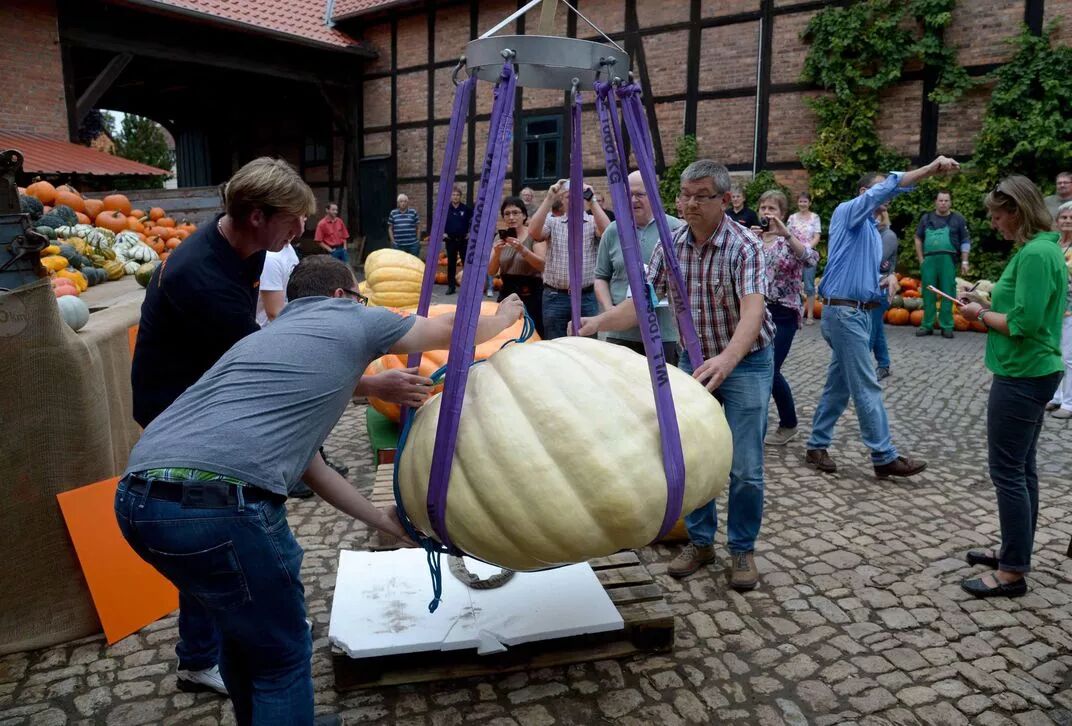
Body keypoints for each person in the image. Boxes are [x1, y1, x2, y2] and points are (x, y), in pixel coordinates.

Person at [117, 254, 525, 723]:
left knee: (242, 631)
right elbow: (448, 330)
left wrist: (383, 519)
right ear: (341, 296)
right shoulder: (349, 314)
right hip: (222, 506)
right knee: (282, 657)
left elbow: (314, 469)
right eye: (359, 298)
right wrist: (504, 318)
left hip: (139, 501)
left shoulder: (262, 343)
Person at [130, 158, 316, 697]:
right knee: (215, 530)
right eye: (293, 220)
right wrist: (357, 378)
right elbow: (252, 360)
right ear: (258, 216)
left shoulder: (245, 247)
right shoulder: (199, 275)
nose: (300, 230)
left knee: (213, 533)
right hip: (177, 413)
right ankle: (219, 649)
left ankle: (203, 653)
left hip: (204, 396)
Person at [577, 160, 774, 591]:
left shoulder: (746, 246)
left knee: (744, 466)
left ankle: (742, 549)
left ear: (725, 200)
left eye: (701, 196)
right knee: (693, 455)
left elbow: (753, 312)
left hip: (747, 362)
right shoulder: (671, 245)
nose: (689, 204)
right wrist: (598, 323)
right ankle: (700, 542)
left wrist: (728, 359)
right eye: (684, 195)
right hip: (694, 360)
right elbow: (642, 303)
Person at [805, 156, 959, 478]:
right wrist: (929, 169)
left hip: (859, 313)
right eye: (880, 191)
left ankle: (816, 445)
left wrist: (883, 283)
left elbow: (858, 275)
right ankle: (883, 455)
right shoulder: (846, 211)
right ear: (864, 193)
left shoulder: (874, 235)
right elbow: (886, 189)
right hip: (843, 314)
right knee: (867, 385)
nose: (887, 198)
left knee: (840, 386)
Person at [957, 176, 1065, 598]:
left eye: (997, 215)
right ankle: (1014, 552)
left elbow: (1025, 324)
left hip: (1024, 372)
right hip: (1031, 368)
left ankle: (1012, 572)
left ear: (1017, 211)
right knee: (1022, 469)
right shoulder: (1039, 249)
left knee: (1008, 471)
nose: (994, 223)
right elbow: (1024, 308)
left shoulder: (1036, 254)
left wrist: (979, 316)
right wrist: (986, 303)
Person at [594, 170, 683, 364]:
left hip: (663, 332)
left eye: (640, 194)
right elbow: (601, 276)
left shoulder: (675, 228)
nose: (633, 200)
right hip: (620, 334)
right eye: (629, 194)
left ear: (653, 195)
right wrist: (609, 310)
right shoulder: (613, 230)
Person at [753, 190, 818, 446]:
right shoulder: (753, 239)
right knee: (753, 367)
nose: (767, 213)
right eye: (763, 208)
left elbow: (811, 259)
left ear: (782, 214)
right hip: (756, 312)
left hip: (784, 313)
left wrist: (787, 235)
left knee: (771, 369)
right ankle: (752, 422)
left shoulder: (790, 240)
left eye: (772, 209)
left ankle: (789, 424)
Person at [528, 178, 611, 339]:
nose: (573, 200)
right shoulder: (553, 222)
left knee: (587, 346)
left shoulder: (592, 222)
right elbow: (533, 232)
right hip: (555, 296)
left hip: (585, 296)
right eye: (568, 196)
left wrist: (592, 200)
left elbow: (608, 232)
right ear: (562, 200)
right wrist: (549, 198)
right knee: (556, 346)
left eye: (578, 196)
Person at [914, 190, 971, 338]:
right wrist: (921, 259)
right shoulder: (926, 218)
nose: (943, 203)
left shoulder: (958, 219)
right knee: (928, 293)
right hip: (929, 261)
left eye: (946, 200)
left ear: (950, 202)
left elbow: (965, 240)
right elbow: (918, 238)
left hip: (948, 261)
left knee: (948, 293)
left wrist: (965, 261)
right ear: (935, 202)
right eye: (941, 200)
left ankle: (947, 326)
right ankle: (927, 325)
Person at [488, 196, 545, 336]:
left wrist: (522, 249)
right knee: (505, 333)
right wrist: (497, 253)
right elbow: (491, 271)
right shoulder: (499, 238)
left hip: (531, 292)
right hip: (507, 292)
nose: (511, 217)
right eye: (507, 214)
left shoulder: (534, 235)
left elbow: (542, 265)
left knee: (532, 332)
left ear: (524, 215)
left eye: (515, 213)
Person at [1045, 201, 1072, 418]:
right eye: (1064, 217)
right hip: (1052, 308)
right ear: (1057, 221)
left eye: (1071, 218)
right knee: (1053, 352)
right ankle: (1055, 396)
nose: (1067, 221)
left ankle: (1069, 403)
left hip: (1071, 308)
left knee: (1069, 357)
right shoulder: (1053, 245)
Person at [871, 207, 900, 380]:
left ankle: (860, 367)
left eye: (876, 215)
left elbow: (876, 260)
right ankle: (884, 364)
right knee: (877, 328)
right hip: (871, 288)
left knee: (870, 330)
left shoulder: (888, 236)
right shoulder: (873, 234)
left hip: (881, 290)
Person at [787, 192, 822, 325]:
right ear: (797, 203)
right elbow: (788, 234)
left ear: (810, 203)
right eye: (800, 201)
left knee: (809, 285)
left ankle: (810, 315)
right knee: (793, 285)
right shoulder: (792, 218)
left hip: (809, 255)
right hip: (794, 254)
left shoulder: (815, 217)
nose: (802, 204)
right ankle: (795, 313)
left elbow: (817, 236)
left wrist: (807, 248)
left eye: (805, 201)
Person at [256, 239, 300, 327]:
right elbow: (274, 314)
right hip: (271, 327)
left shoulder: (288, 247)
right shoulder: (271, 258)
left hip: (289, 318)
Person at [443, 186, 471, 295]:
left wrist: (471, 232)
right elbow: (439, 222)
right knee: (451, 264)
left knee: (466, 263)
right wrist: (442, 233)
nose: (455, 197)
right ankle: (451, 287)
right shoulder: (445, 209)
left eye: (457, 195)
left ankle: (467, 287)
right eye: (453, 195)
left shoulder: (466, 209)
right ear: (451, 196)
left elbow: (474, 221)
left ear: (460, 196)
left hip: (463, 240)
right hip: (450, 240)